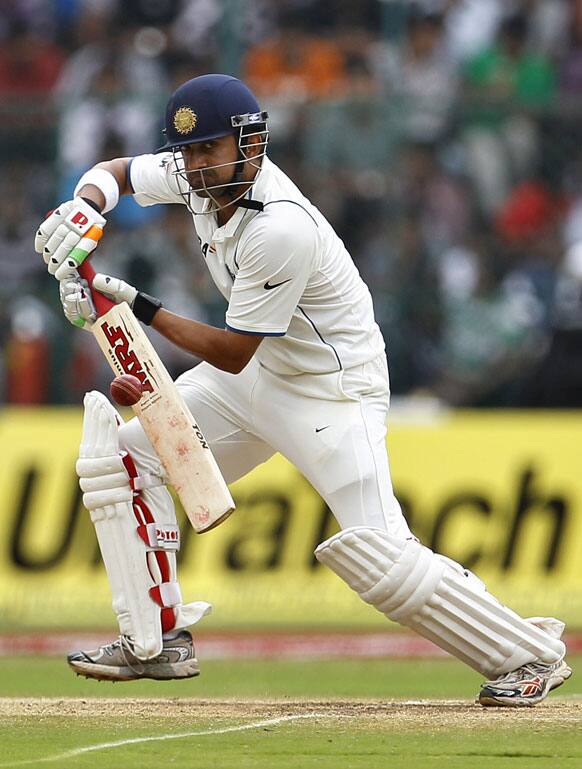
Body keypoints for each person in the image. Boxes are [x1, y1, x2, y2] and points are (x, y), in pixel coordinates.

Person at [34, 73, 571, 706]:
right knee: (122, 460)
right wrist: (86, 204)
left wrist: (132, 304)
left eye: (211, 150)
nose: (198, 167)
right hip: (259, 379)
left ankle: (530, 656)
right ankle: (157, 640)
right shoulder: (196, 177)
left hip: (330, 391)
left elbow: (233, 353)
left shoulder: (280, 226)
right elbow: (117, 170)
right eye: (190, 152)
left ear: (250, 144)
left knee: (379, 556)